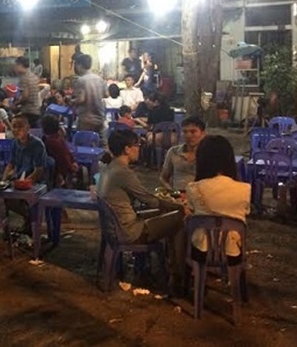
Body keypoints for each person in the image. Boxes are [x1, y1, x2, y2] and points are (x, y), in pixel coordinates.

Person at [97, 130, 186, 293]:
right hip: (128, 232)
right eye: (137, 145)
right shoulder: (123, 172)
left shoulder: (108, 167)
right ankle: (178, 275)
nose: (139, 149)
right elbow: (150, 200)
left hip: (114, 228)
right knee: (180, 218)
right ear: (127, 149)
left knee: (162, 213)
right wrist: (179, 206)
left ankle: (147, 268)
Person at [186, 135, 251, 263]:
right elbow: (245, 213)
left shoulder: (193, 188)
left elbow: (192, 212)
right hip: (233, 252)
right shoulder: (245, 189)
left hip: (201, 251)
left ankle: (186, 272)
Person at [159, 116, 206, 190]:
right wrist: (172, 191)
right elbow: (163, 178)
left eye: (193, 132)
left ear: (203, 134)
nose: (188, 135)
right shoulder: (173, 152)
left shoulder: (208, 154)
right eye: (185, 132)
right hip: (177, 194)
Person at [2, 114, 47, 183]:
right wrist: (3, 180)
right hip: (19, 178)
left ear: (28, 128)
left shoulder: (37, 144)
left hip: (35, 182)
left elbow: (39, 170)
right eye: (14, 127)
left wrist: (24, 183)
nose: (16, 130)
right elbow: (11, 164)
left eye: (20, 127)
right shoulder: (15, 143)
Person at [41, 114, 79, 188]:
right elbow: (64, 159)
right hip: (61, 174)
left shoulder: (52, 140)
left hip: (62, 172)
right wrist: (72, 167)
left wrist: (72, 163)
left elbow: (66, 155)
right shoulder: (55, 141)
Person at [72, 54, 106, 134]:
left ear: (79, 65)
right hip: (100, 117)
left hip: (86, 119)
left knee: (83, 140)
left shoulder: (81, 80)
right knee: (100, 140)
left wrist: (72, 101)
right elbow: (106, 94)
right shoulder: (99, 79)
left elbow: (81, 99)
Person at [13, 57, 41, 127]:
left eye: (15, 65)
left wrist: (15, 104)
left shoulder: (23, 78)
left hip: (28, 111)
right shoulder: (33, 76)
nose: (14, 68)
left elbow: (25, 97)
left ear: (20, 65)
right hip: (36, 110)